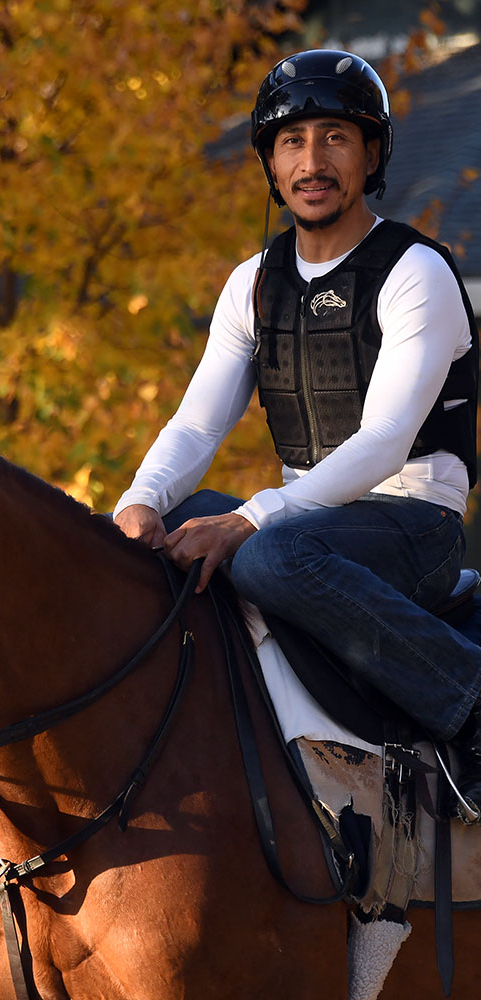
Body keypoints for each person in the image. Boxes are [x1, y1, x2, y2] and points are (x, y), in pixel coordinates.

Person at [113, 49, 481, 818]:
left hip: (414, 524)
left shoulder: (417, 271)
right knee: (171, 534)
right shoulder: (252, 281)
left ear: (372, 153)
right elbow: (197, 422)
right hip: (312, 526)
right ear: (271, 163)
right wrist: (140, 502)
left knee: (269, 552)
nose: (312, 161)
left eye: (335, 138)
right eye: (291, 141)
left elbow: (383, 441)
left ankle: (469, 707)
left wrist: (254, 517)